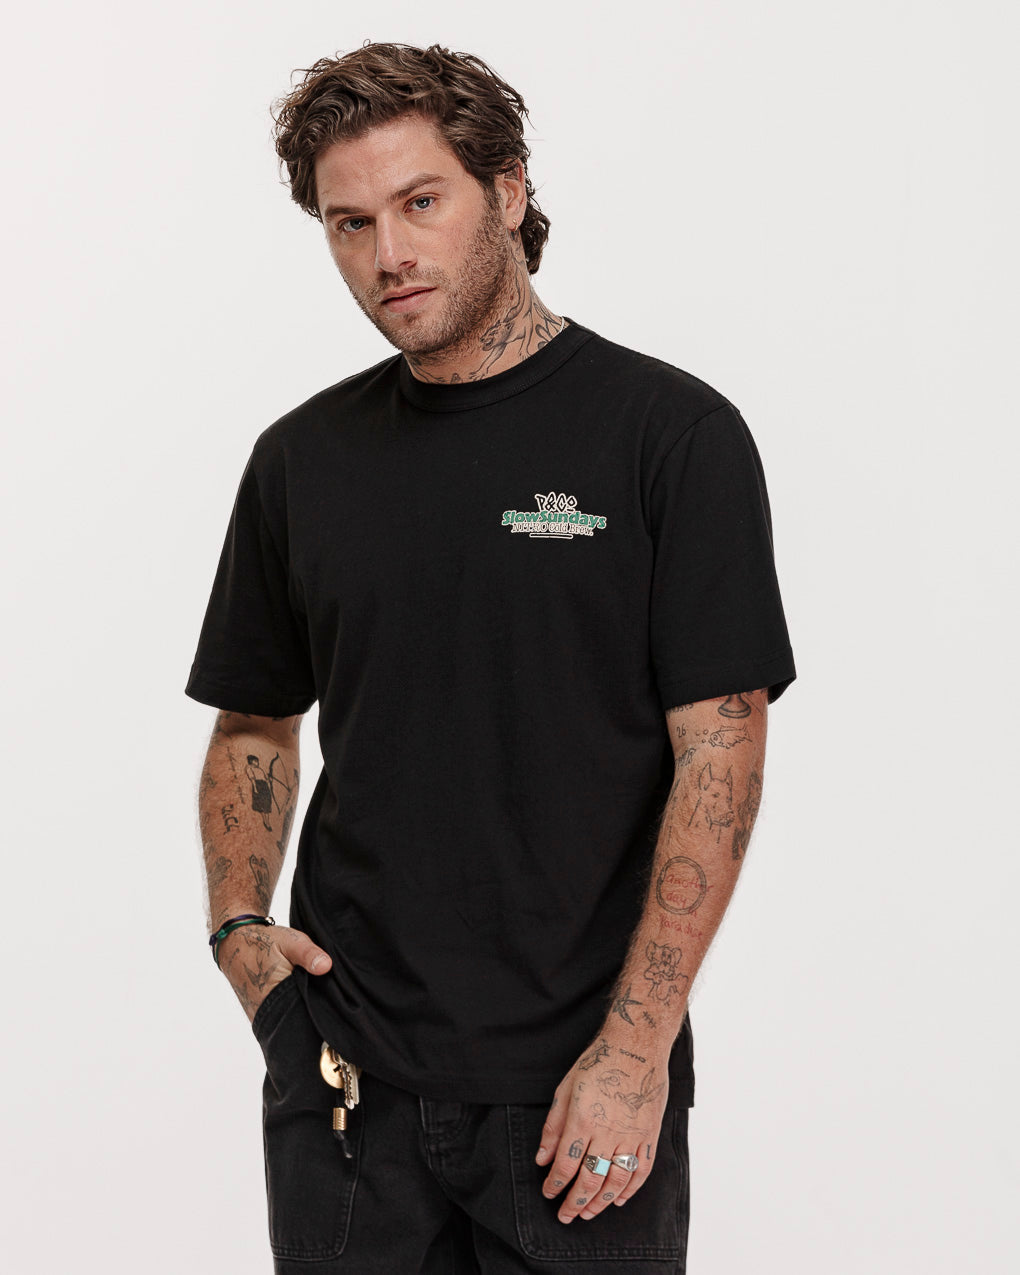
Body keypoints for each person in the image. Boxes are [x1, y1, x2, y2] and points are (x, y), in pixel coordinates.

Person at [185, 41, 796, 1275]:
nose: (389, 255)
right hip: (344, 1087)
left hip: (577, 1096)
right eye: (350, 223)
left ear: (507, 191)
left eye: (421, 202)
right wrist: (242, 936)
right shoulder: (302, 461)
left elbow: (721, 753)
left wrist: (636, 1050)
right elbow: (253, 723)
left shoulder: (670, 437)